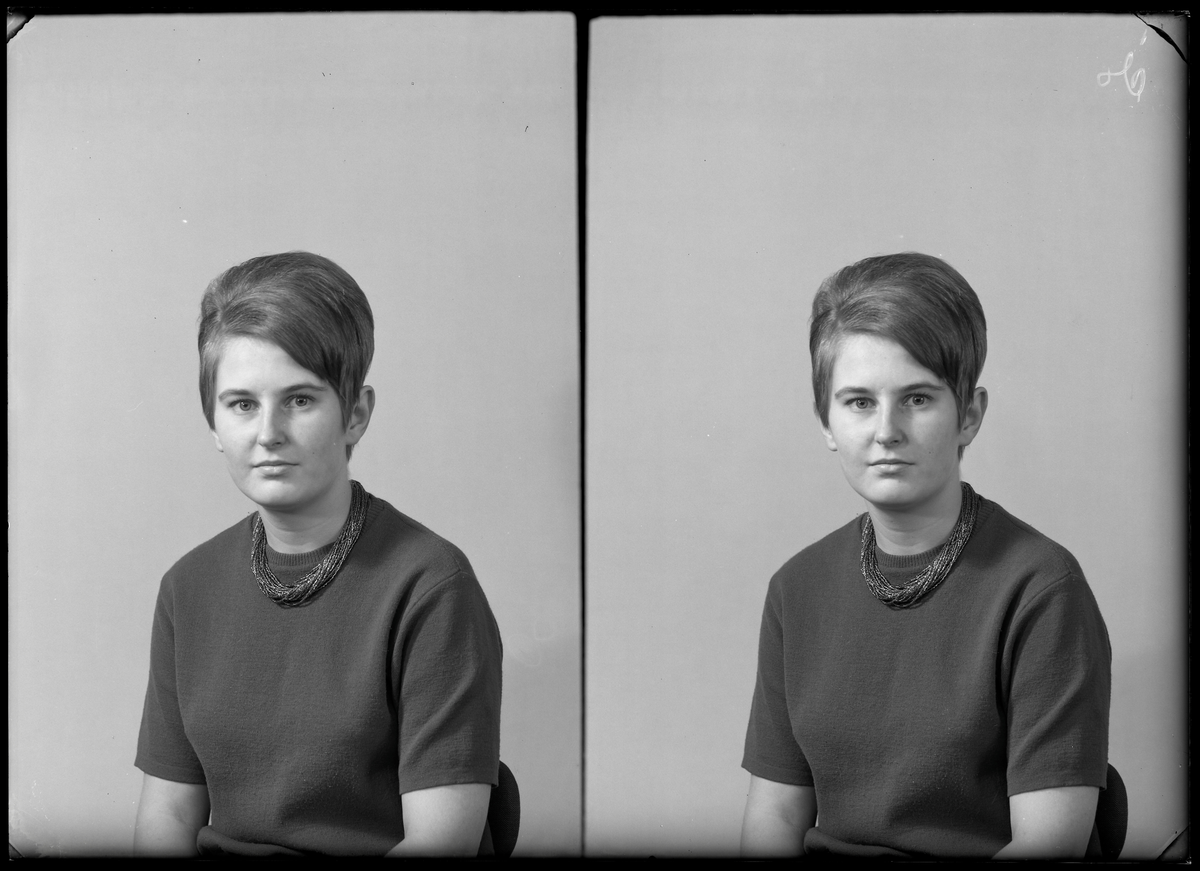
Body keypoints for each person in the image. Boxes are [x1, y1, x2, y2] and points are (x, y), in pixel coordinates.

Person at [740, 252, 1111, 859]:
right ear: (826, 421)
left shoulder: (1042, 587)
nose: (886, 430)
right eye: (859, 402)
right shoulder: (796, 588)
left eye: (916, 399)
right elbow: (776, 816)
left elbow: (1051, 843)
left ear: (970, 415)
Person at [133, 252, 503, 857]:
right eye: (242, 404)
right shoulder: (187, 586)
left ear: (355, 414)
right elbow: (168, 817)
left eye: (300, 400)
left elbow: (444, 842)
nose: (268, 433)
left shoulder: (432, 584)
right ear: (213, 424)